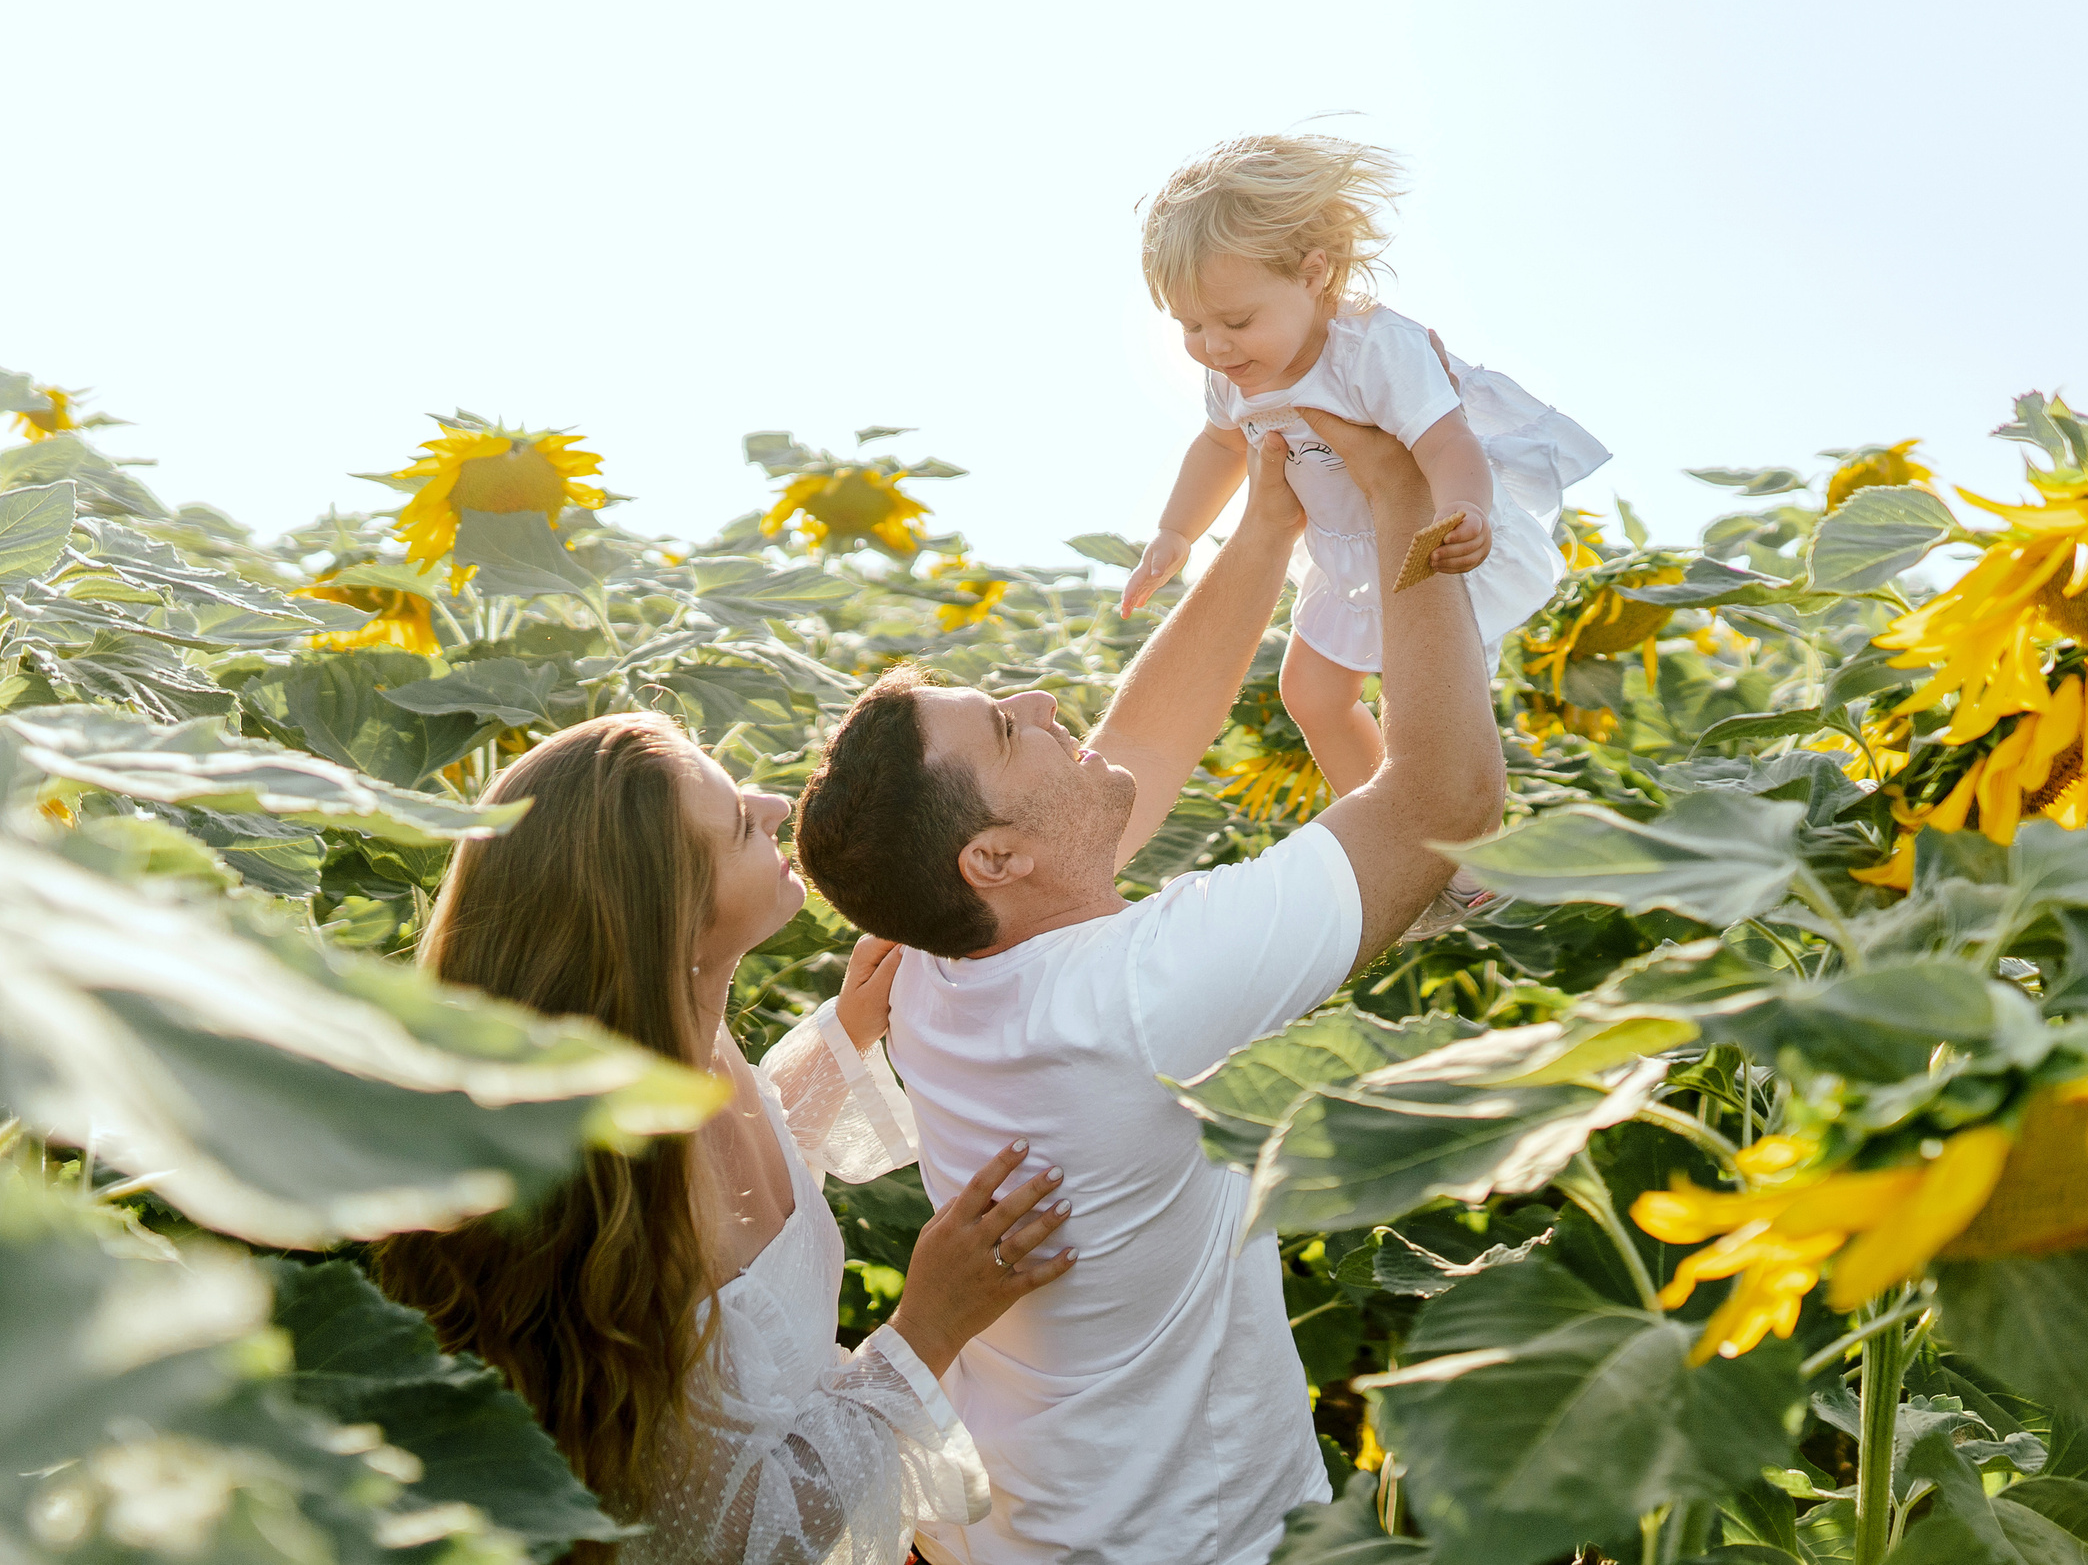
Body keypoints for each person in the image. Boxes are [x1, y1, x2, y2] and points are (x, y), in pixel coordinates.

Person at [792, 423, 1507, 1565]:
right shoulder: (1137, 996)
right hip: (1187, 1539)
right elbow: (1447, 796)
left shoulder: (943, 956)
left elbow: (1138, 745)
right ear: (992, 861)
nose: (1036, 697)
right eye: (1002, 728)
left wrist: (1266, 521)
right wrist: (1401, 496)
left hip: (1035, 1520)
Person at [372, 712, 1077, 1565]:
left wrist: (848, 1030)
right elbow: (728, 1532)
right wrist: (927, 1327)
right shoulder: (598, 1203)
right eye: (740, 823)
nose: (777, 804)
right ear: (665, 913)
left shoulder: (690, 1050)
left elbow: (749, 1213)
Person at [1122, 132, 1608, 931]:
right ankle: (1410, 845)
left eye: (1235, 320)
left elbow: (1446, 442)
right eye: (1190, 327)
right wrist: (1176, 532)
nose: (1213, 348)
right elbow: (1218, 445)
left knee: (1431, 702)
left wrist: (1467, 511)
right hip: (1342, 557)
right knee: (1309, 692)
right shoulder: (1230, 371)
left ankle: (1468, 848)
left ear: (1313, 274)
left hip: (1420, 539)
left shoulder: (1374, 349)